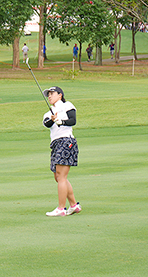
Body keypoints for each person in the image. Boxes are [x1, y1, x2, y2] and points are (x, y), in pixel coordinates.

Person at [42, 86, 82, 217]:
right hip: (56, 144)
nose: (49, 96)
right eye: (48, 94)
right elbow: (47, 123)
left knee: (61, 176)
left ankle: (61, 208)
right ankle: (74, 205)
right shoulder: (49, 113)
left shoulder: (67, 105)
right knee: (58, 177)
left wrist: (62, 121)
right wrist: (54, 119)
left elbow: (73, 120)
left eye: (52, 93)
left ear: (60, 95)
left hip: (66, 141)